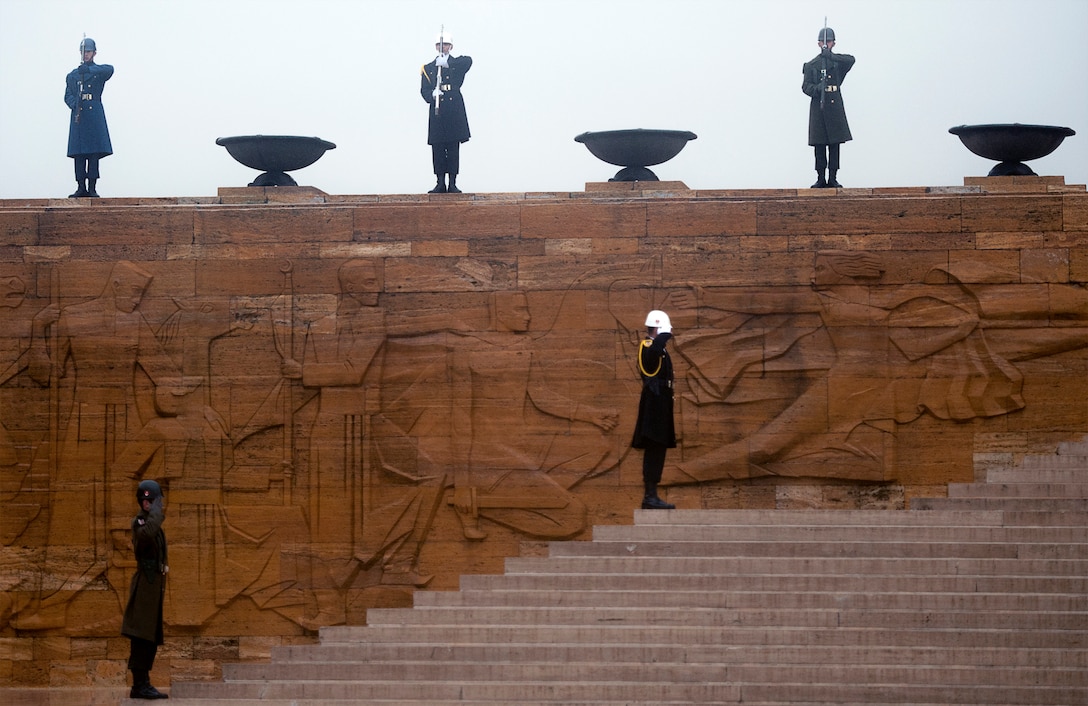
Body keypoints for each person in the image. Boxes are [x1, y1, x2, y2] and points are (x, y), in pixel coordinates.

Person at [121, 479, 169, 700]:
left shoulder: (150, 521)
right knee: (141, 636)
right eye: (146, 500)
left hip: (153, 586)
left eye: (153, 500)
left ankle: (143, 684)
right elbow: (146, 535)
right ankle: (140, 684)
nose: (149, 504)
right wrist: (157, 513)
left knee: (149, 637)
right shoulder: (140, 521)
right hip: (144, 586)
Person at [631, 310, 676, 510]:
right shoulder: (648, 346)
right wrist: (664, 335)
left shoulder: (659, 349)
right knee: (654, 447)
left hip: (661, 402)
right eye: (665, 331)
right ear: (659, 328)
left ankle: (652, 494)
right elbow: (651, 360)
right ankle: (650, 496)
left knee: (658, 449)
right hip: (654, 403)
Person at [419, 30, 471, 194]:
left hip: (453, 108)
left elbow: (468, 61)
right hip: (438, 110)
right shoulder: (428, 68)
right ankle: (440, 182)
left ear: (451, 46)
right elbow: (424, 90)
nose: (443, 48)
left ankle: (453, 183)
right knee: (438, 147)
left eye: (446, 45)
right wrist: (431, 95)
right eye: (440, 45)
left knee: (453, 147)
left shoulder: (456, 64)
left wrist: (448, 64)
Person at [802, 27, 854, 188]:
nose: (826, 44)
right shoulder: (811, 65)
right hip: (819, 107)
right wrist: (818, 88)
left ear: (833, 43)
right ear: (819, 43)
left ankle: (833, 177)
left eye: (829, 41)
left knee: (834, 145)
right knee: (819, 145)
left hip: (834, 107)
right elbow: (805, 87)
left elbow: (851, 60)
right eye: (824, 42)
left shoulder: (837, 63)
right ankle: (820, 177)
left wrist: (831, 56)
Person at [64, 37, 114, 198]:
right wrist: (75, 104)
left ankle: (92, 187)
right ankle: (80, 187)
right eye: (84, 52)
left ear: (94, 53)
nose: (86, 54)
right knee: (79, 153)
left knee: (93, 153)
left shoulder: (98, 72)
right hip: (80, 116)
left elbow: (110, 69)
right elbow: (67, 95)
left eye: (89, 52)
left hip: (93, 115)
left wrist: (89, 70)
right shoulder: (73, 75)